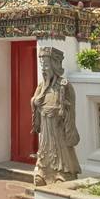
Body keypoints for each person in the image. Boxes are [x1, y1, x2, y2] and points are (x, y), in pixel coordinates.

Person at [31, 47, 81, 186]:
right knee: (45, 148)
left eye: (46, 65)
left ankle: (63, 172)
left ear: (54, 65)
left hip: (59, 127)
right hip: (46, 125)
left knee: (61, 149)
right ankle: (43, 171)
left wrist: (65, 110)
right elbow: (34, 100)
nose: (44, 69)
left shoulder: (64, 86)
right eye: (42, 65)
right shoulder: (42, 86)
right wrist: (36, 101)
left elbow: (71, 108)